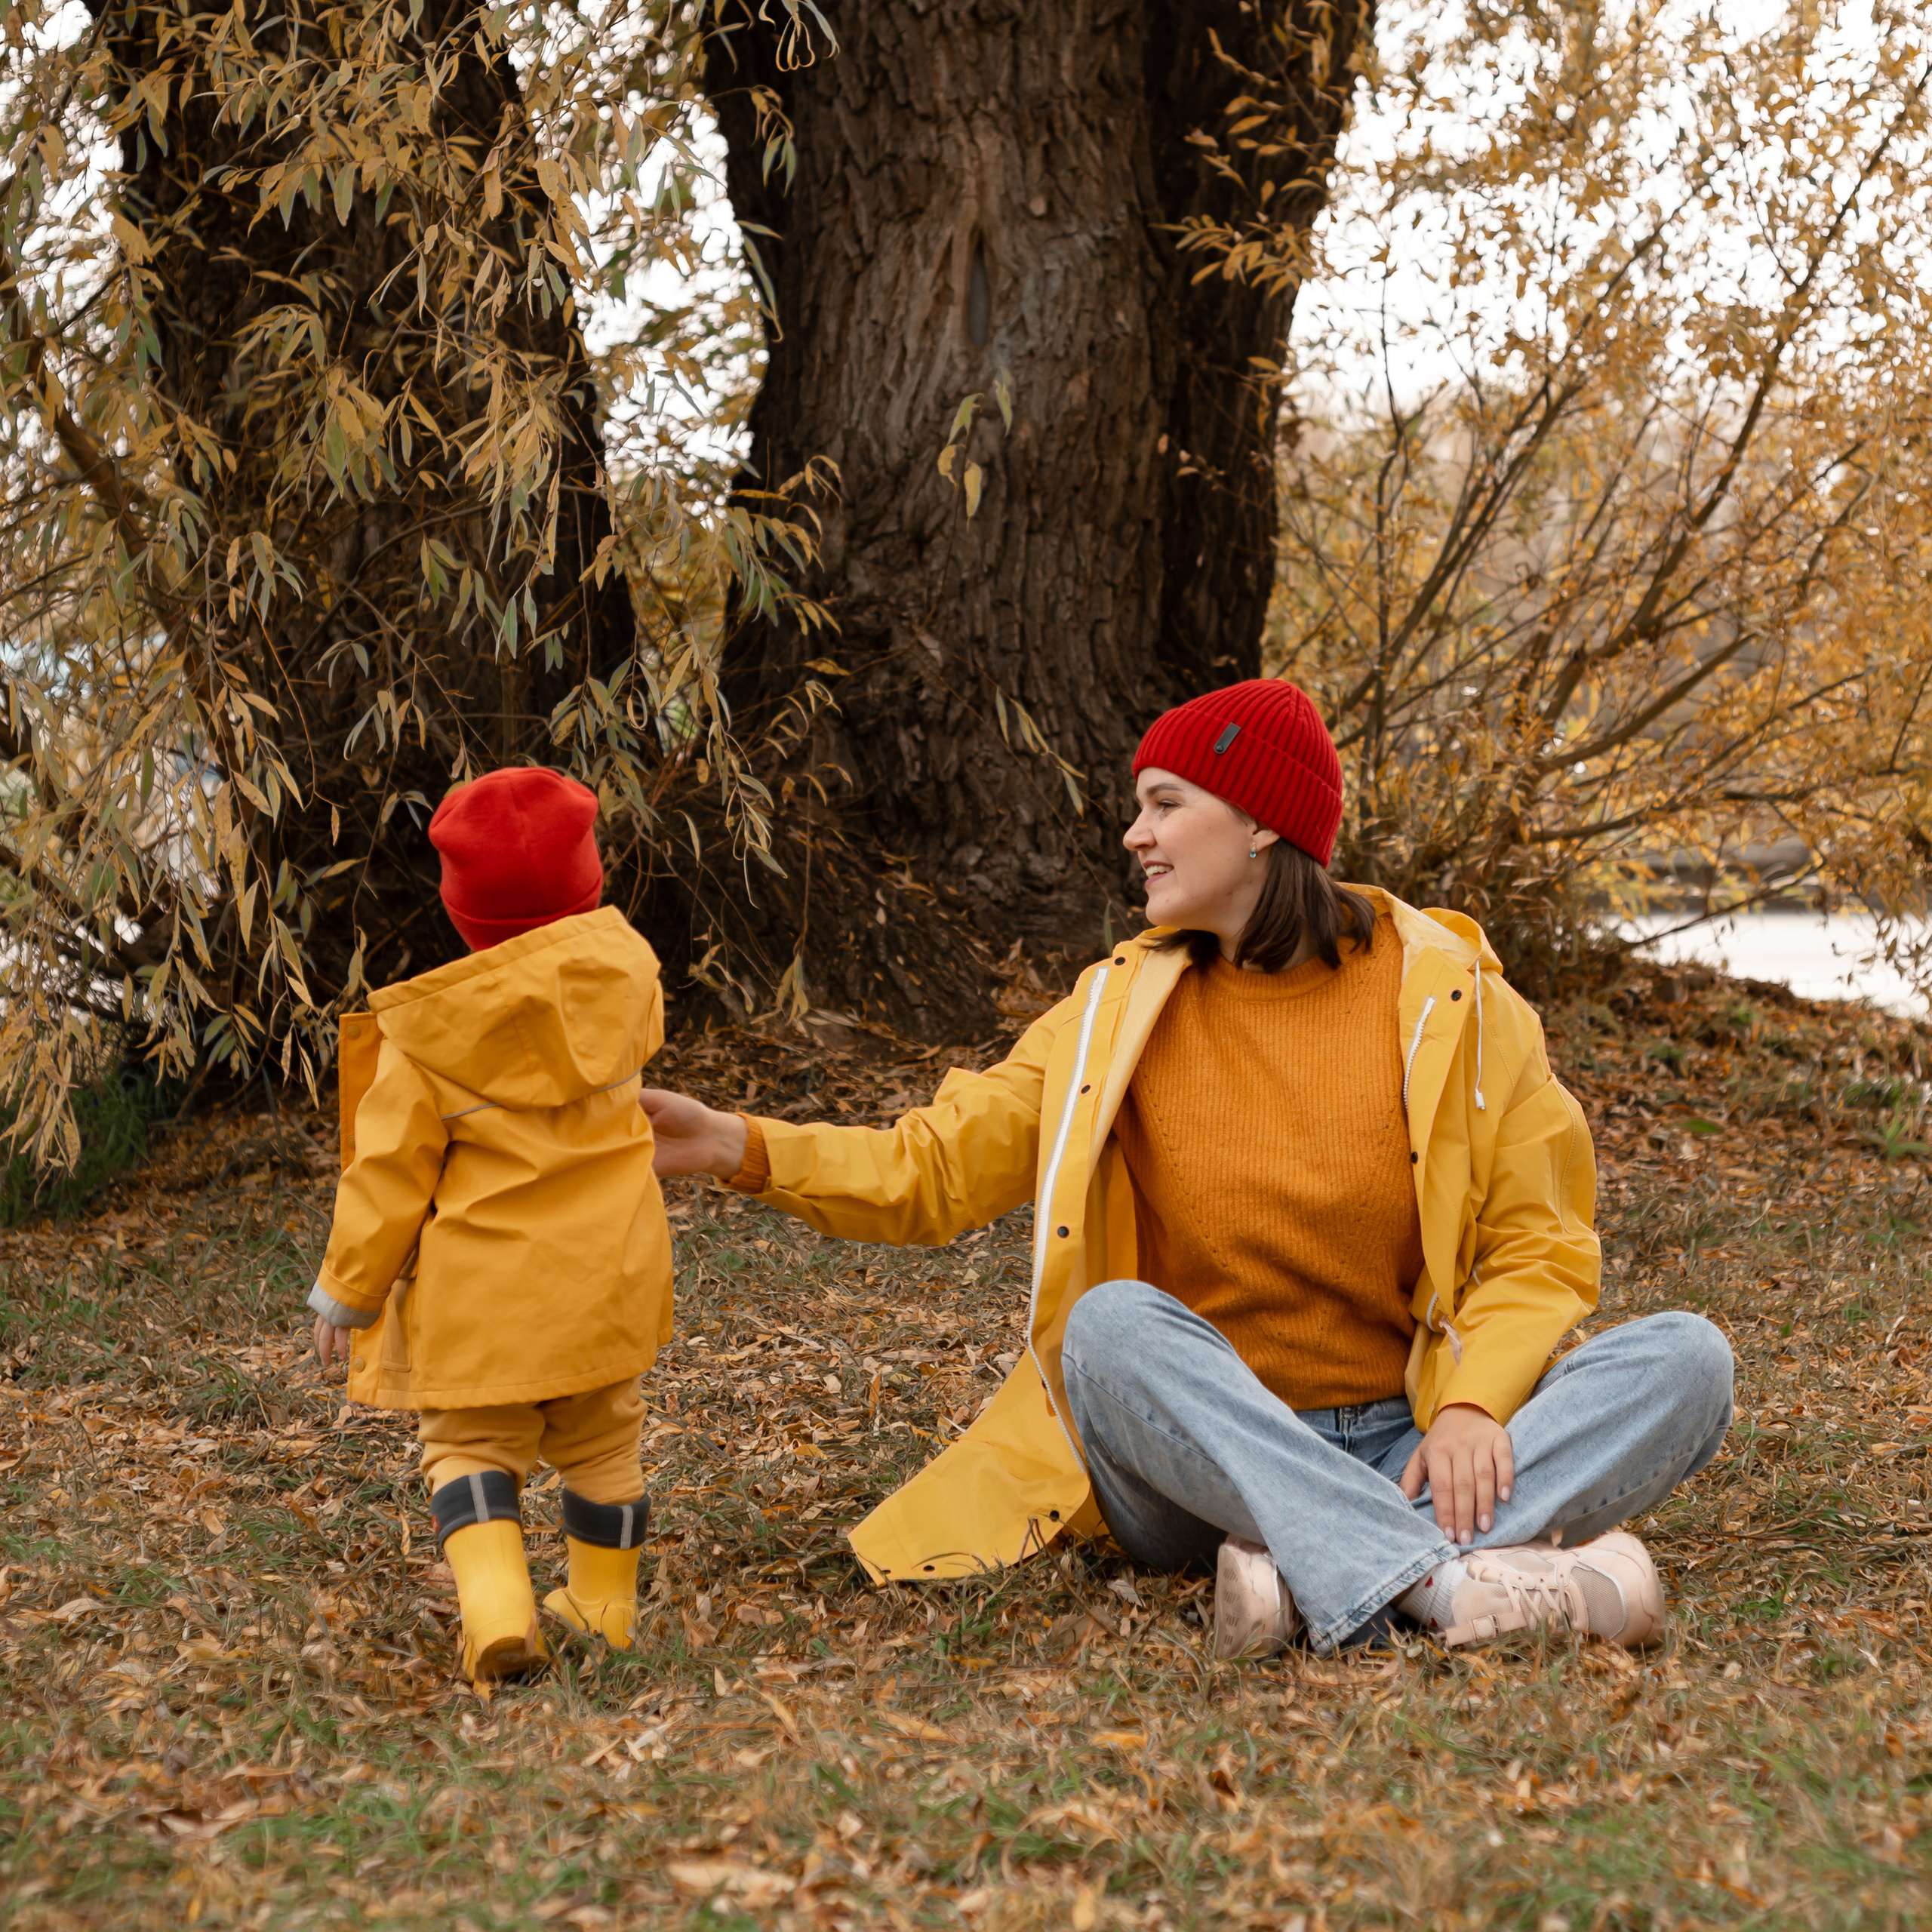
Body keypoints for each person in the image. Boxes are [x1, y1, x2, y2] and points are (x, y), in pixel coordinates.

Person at [645, 679, 1734, 1657]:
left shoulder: (1455, 1001)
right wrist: (741, 1146)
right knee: (1111, 1328)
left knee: (1688, 1360)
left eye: (1165, 804)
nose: (1136, 834)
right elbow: (932, 1169)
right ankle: (1444, 1581)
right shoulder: (1115, 1012)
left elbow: (1540, 1242)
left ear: (1261, 822)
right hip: (1197, 1460)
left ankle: (1307, 1576)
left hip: (1409, 1433)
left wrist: (1473, 1407)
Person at [306, 768, 672, 1683]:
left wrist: (348, 1289)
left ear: (460, 910)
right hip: (608, 1289)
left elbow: (386, 1175)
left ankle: (501, 1607)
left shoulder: (429, 1040)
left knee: (470, 1449)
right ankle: (604, 1607)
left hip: (482, 1309)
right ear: (589, 883)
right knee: (605, 1443)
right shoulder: (629, 987)